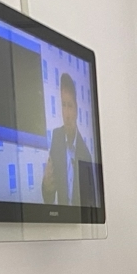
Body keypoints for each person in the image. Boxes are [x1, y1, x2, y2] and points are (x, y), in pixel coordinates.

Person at [41, 72, 94, 206]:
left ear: (76, 110)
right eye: (63, 105)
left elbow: (88, 205)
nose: (67, 114)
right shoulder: (56, 137)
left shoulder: (86, 155)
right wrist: (47, 186)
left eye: (70, 106)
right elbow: (49, 197)